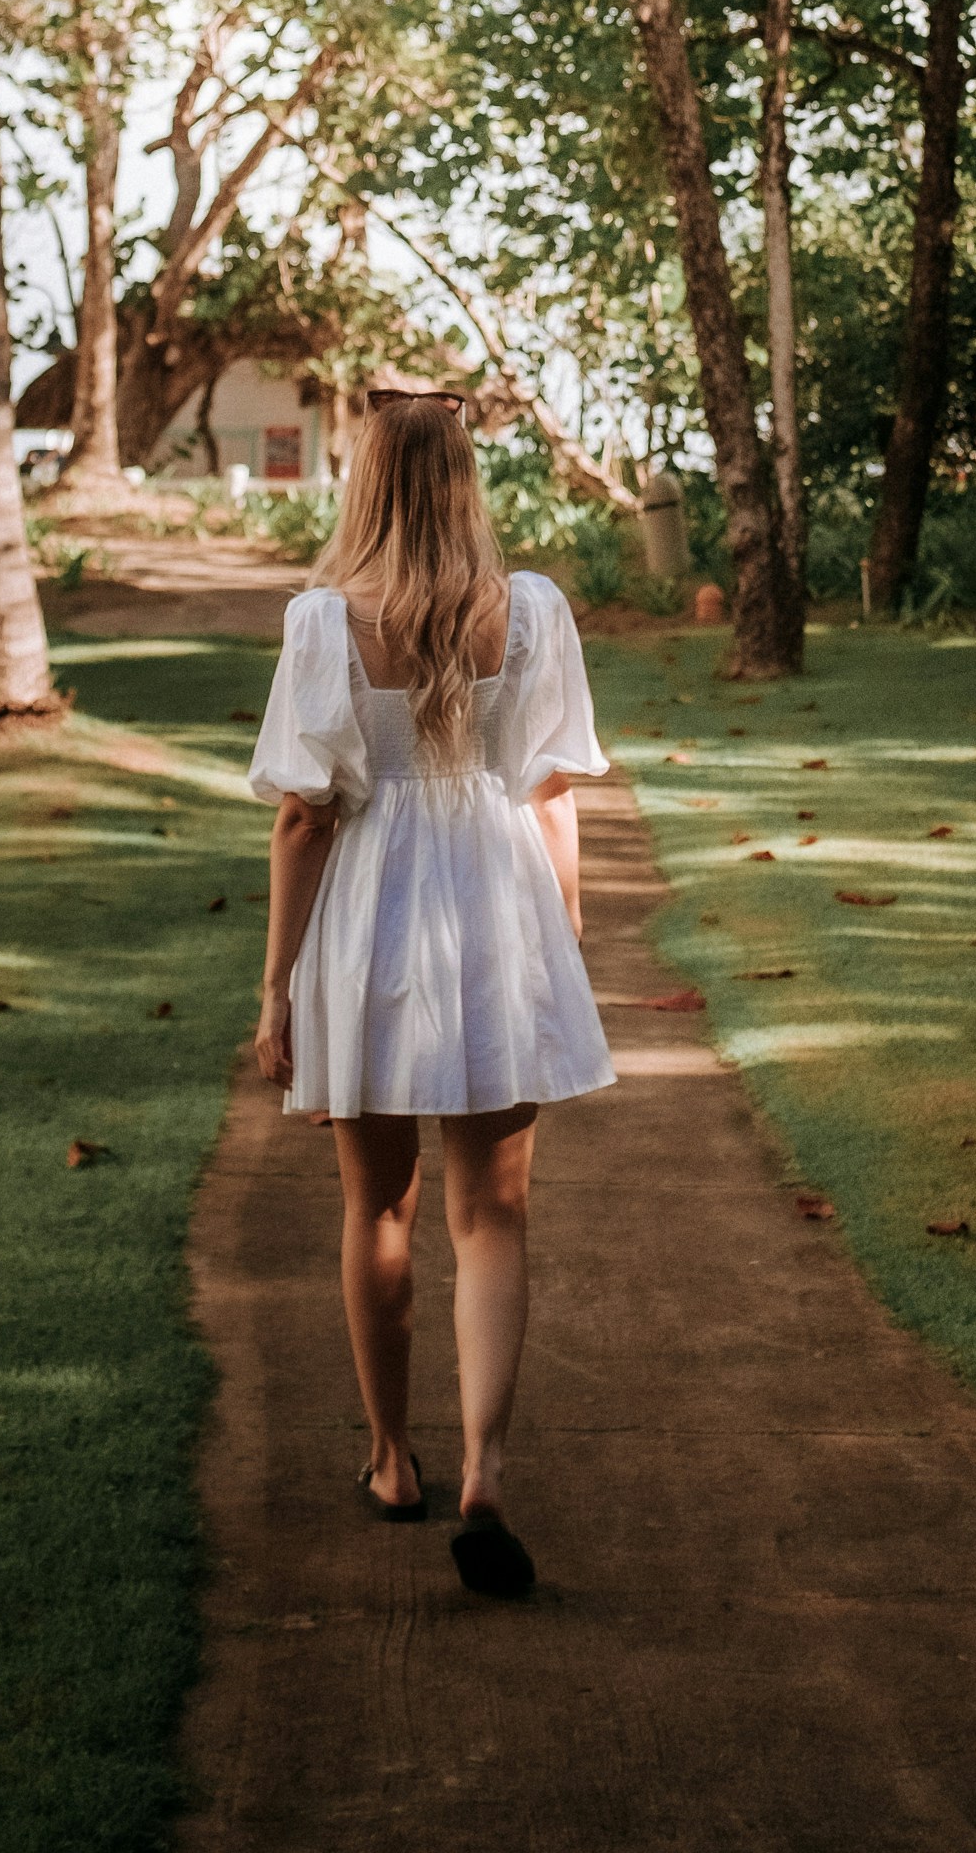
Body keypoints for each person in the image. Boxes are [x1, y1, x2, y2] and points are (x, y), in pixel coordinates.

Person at [247, 390, 614, 1600]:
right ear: (466, 481)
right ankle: (486, 1473)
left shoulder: (321, 623)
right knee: (493, 1215)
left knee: (380, 1209)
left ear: (363, 481)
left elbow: (304, 815)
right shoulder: (535, 611)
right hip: (500, 910)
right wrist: (560, 935)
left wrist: (276, 989)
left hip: (369, 928)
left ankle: (394, 1458)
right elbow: (553, 789)